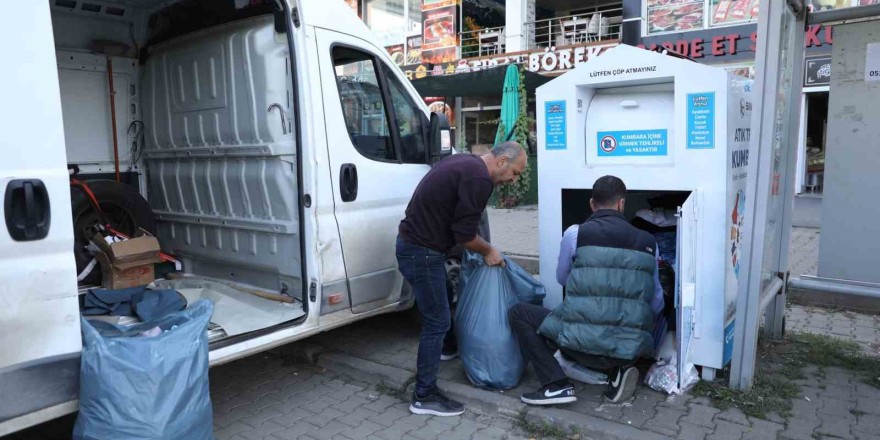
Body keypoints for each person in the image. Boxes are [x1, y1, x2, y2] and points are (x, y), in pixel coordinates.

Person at [508, 175, 665, 406]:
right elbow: (657, 302)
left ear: (592, 203)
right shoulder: (649, 242)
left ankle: (556, 385)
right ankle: (618, 371)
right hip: (626, 350)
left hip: (578, 347)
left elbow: (562, 279)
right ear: (622, 204)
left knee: (519, 313)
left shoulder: (575, 234)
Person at [397, 141, 528, 416]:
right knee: (438, 320)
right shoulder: (479, 178)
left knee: (442, 298)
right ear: (502, 161)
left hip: (415, 246)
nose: (512, 180)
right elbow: (465, 235)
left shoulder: (465, 162)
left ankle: (446, 348)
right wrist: (489, 250)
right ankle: (424, 395)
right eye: (515, 172)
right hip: (422, 253)